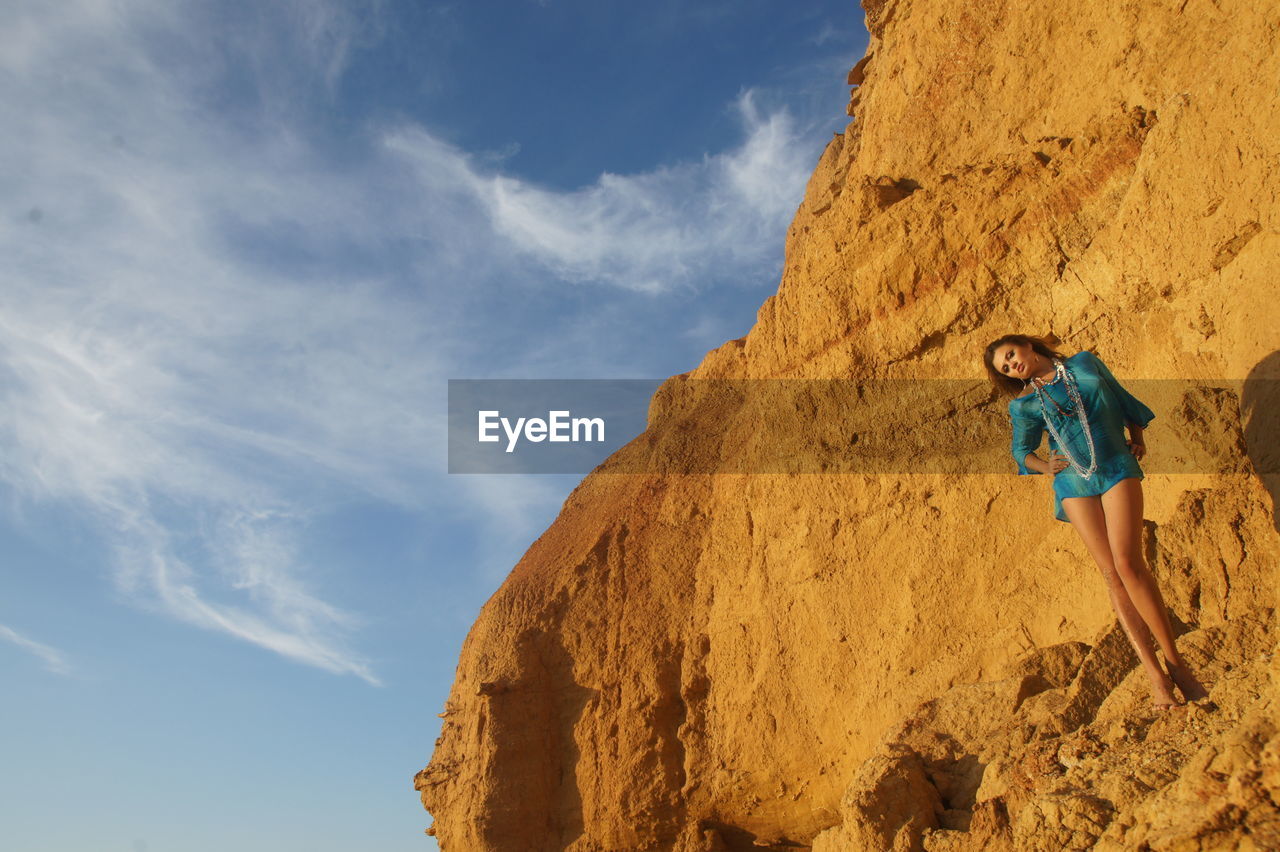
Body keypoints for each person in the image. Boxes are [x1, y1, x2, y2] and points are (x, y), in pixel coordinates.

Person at [983, 334, 1208, 710]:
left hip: (1116, 466)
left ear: (1025, 346)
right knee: (1110, 574)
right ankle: (1156, 678)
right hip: (1073, 482)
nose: (1011, 365)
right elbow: (1022, 452)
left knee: (1128, 563)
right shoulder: (1023, 405)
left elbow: (1123, 402)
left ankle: (1177, 665)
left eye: (1010, 355)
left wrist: (1137, 439)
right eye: (1004, 368)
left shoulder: (1084, 364)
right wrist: (1045, 466)